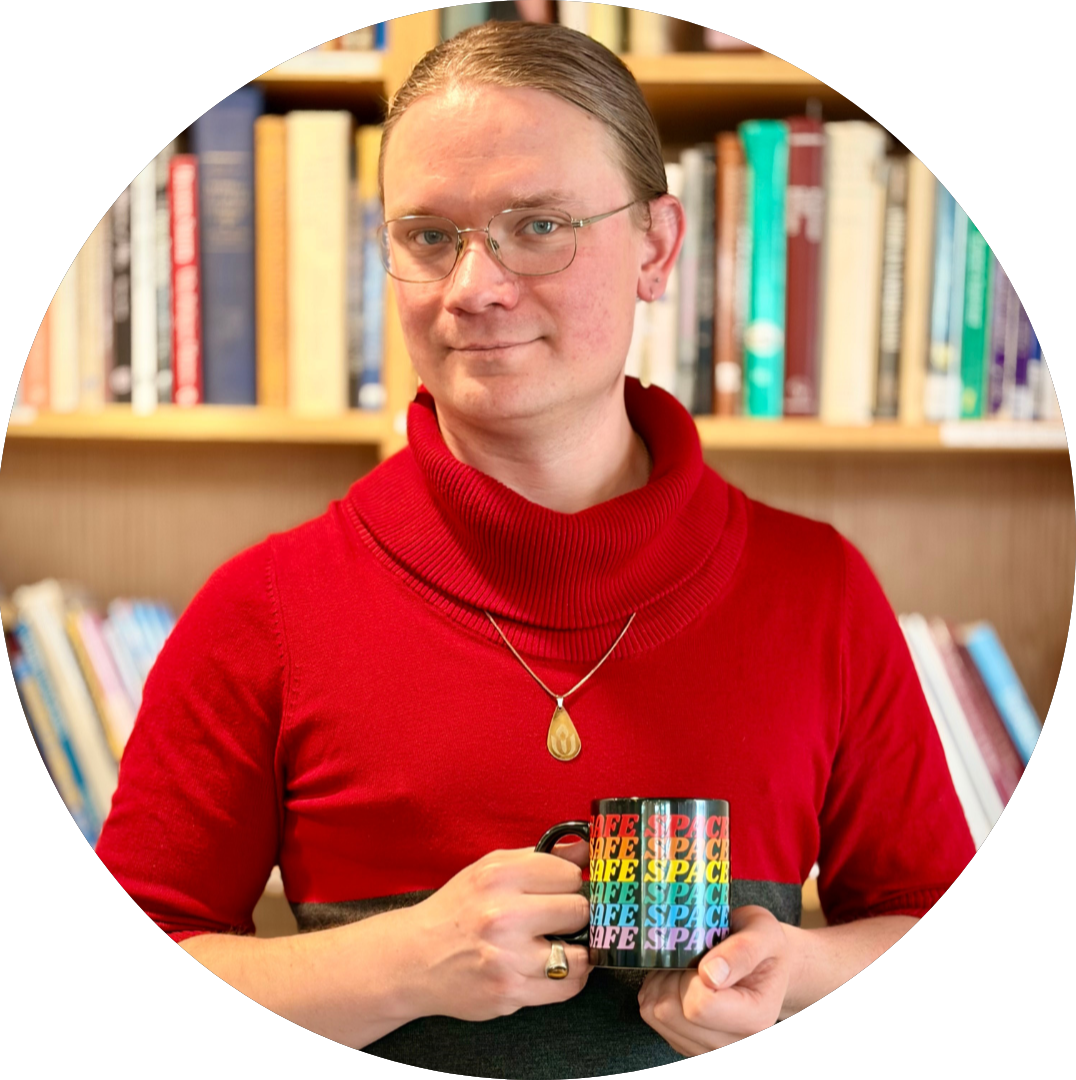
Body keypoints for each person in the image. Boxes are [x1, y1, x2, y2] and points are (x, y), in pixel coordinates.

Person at [96, 20, 975, 1074]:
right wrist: (403, 965)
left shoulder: (816, 589)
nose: (475, 286)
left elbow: (917, 910)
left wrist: (798, 974)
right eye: (429, 235)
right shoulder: (265, 607)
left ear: (657, 248)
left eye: (539, 224)